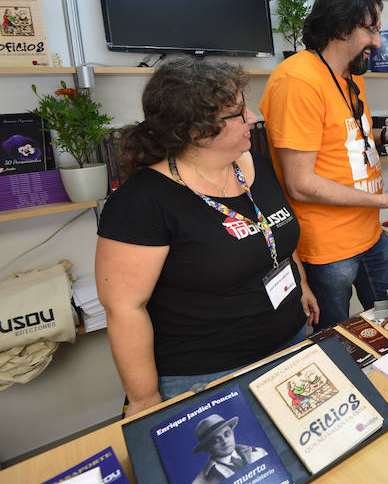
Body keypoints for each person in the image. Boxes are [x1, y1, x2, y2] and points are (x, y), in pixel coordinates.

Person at [95, 58, 319, 416]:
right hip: (210, 373)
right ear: (199, 131)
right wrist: (144, 400)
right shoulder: (142, 202)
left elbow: (277, 236)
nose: (255, 118)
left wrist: (302, 284)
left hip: (289, 342)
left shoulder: (254, 164)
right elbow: (124, 308)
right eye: (240, 112)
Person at [259, 0, 388, 329]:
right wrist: (384, 201)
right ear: (341, 26)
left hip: (371, 235)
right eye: (372, 30)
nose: (378, 42)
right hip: (329, 250)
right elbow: (301, 184)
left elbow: (353, 138)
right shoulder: (297, 80)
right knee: (337, 340)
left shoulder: (352, 77)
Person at [191, 414, 267, 484]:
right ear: (206, 448)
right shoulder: (203, 481)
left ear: (232, 432)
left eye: (227, 434)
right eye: (215, 440)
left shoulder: (259, 452)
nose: (224, 441)